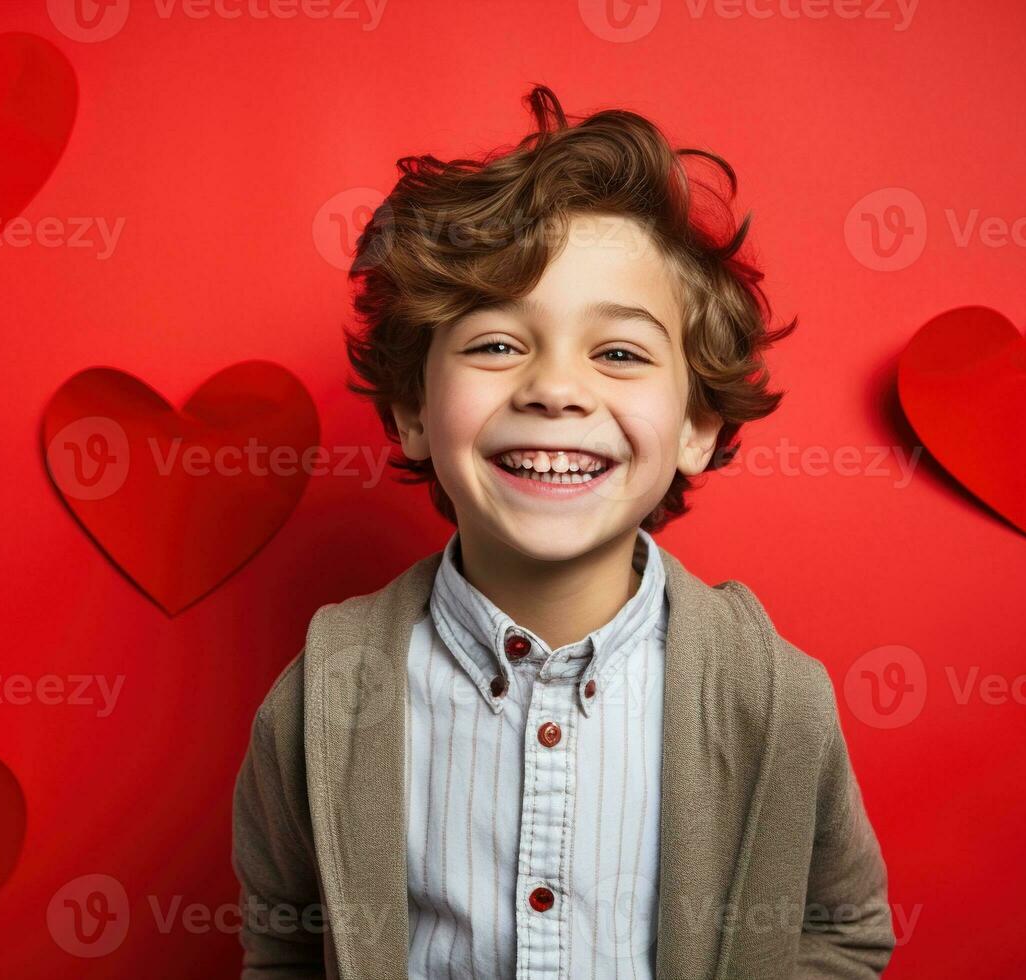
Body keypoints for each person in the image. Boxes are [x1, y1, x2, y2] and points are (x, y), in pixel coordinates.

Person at [231, 84, 894, 979]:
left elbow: (844, 931)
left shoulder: (772, 694)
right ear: (414, 411)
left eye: (618, 353)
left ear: (697, 426)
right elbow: (285, 945)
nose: (556, 388)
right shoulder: (323, 696)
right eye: (497, 344)